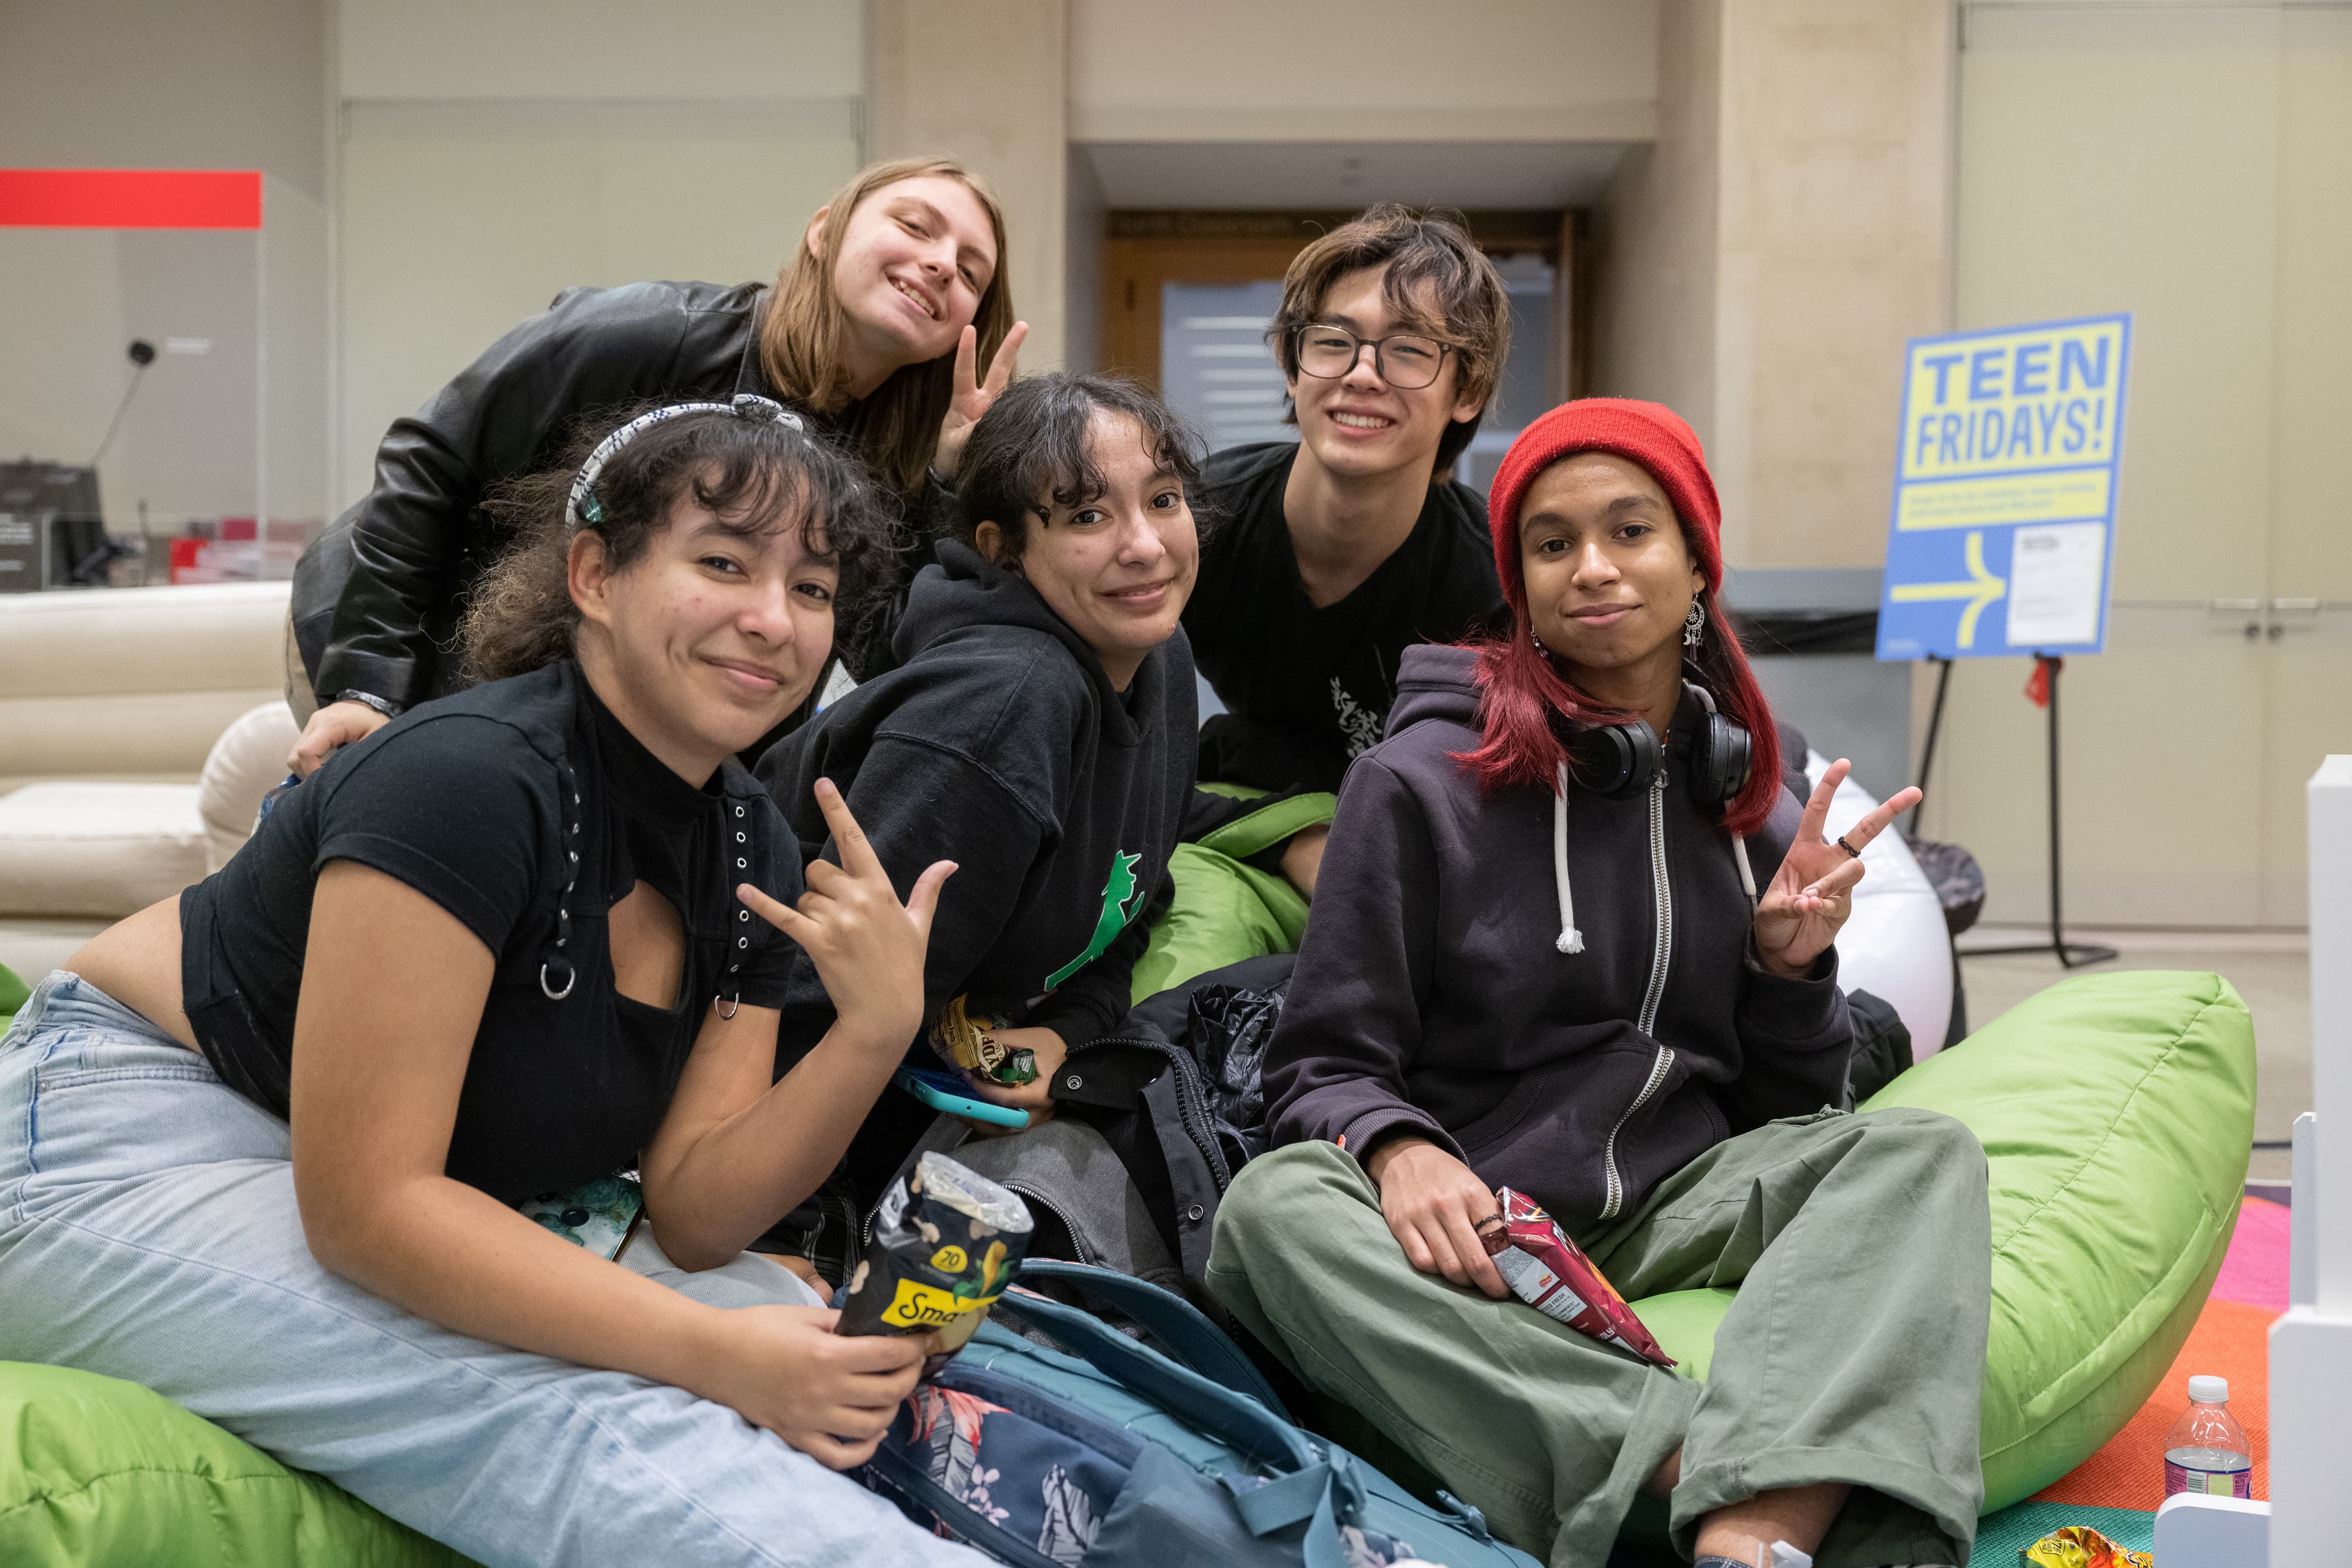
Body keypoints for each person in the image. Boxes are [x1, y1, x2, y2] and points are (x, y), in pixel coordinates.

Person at [0, 398, 987, 1568]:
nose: (772, 620)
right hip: (117, 1141)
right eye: (722, 563)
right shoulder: (467, 778)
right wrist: (715, 1359)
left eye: (813, 590)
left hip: (325, 1174)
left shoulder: (748, 846)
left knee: (791, 1325)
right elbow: (369, 1209)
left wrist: (873, 1032)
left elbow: (696, 1208)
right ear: (594, 574)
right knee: (565, 1411)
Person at [1205, 399, 1989, 1568]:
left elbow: (1786, 1114)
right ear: (1518, 585)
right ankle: (1713, 1474)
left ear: (1695, 563)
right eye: (1554, 543)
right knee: (1271, 1216)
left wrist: (1790, 972)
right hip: (1478, 1219)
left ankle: (1745, 1538)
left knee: (1922, 1152)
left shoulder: (1760, 813)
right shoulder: (1414, 784)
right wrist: (1392, 1144)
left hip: (1679, 1196)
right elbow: (1320, 1063)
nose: (1596, 569)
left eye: (1632, 531)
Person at [288, 154, 1027, 777]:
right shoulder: (652, 331)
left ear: (966, 322)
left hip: (575, 692)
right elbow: (430, 460)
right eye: (914, 226)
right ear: (824, 232)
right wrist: (368, 687)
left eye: (969, 271)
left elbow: (862, 636)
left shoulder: (885, 457)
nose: (938, 264)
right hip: (387, 623)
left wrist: (946, 484)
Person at [754, 372, 1204, 1259]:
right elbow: (805, 1003)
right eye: (1087, 517)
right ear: (1003, 550)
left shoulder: (1159, 653)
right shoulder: (1005, 710)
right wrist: (781, 1247)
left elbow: (1134, 902)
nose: (1146, 546)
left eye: (1164, 499)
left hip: (935, 1088)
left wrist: (1064, 1035)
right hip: (783, 1115)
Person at [1182, 203, 1510, 827]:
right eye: (1333, 342)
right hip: (1230, 818)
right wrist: (1286, 837)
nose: (1362, 374)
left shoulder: (1494, 584)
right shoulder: (1194, 520)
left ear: (1467, 393)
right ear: (1291, 364)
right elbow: (1102, 746)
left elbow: (1485, 809)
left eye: (1409, 349)